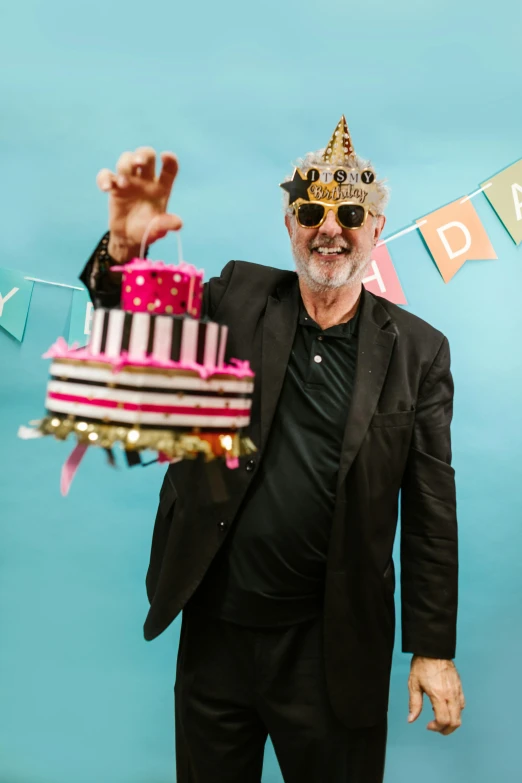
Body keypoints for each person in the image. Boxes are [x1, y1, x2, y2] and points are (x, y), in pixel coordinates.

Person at [80, 116, 465, 783]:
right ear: (289, 222)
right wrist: (121, 253)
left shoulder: (418, 352)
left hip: (331, 647)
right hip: (218, 631)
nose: (330, 228)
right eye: (311, 209)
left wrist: (432, 648)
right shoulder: (235, 297)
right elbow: (134, 346)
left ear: (376, 227)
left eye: (351, 212)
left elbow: (432, 508)